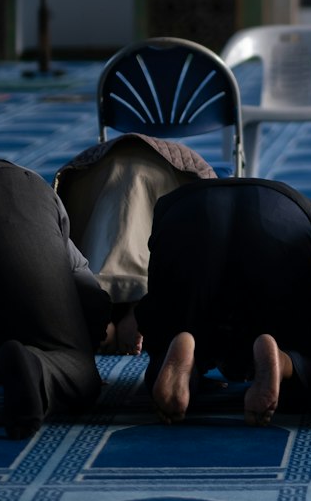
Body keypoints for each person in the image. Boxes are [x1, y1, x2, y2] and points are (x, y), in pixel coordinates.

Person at [133, 177, 311, 425]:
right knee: (304, 359)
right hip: (283, 214)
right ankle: (282, 360)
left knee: (171, 329)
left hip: (187, 216)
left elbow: (155, 304)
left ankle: (186, 357)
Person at [54, 133, 218, 356]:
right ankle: (139, 304)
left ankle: (102, 317)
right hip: (162, 174)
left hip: (95, 175)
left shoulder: (82, 167)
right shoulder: (183, 161)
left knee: (96, 247)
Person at [0, 155, 111, 439]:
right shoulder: (27, 182)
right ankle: (41, 367)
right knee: (79, 373)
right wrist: (81, 347)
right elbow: (89, 293)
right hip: (26, 211)